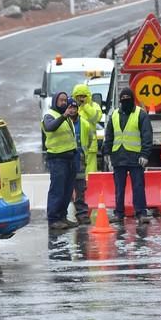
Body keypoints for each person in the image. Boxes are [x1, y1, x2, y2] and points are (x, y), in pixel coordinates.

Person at [102, 87, 152, 225]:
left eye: (127, 100)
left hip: (136, 158)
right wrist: (107, 152)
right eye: (123, 100)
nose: (125, 102)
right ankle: (119, 213)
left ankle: (141, 213)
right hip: (118, 158)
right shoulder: (114, 115)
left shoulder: (140, 115)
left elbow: (147, 136)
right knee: (119, 188)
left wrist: (145, 154)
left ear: (133, 100)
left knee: (138, 187)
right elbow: (109, 136)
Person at [42, 91, 79, 229]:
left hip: (70, 157)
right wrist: (64, 116)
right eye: (61, 100)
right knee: (57, 190)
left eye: (65, 100)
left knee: (67, 190)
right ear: (55, 101)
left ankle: (62, 217)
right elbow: (50, 127)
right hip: (57, 158)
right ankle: (53, 219)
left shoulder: (67, 117)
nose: (64, 102)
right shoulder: (50, 115)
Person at [66, 96, 90, 225]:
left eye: (74, 107)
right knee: (66, 187)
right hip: (67, 158)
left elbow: (90, 140)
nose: (72, 110)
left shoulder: (85, 124)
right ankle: (66, 213)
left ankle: (82, 213)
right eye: (70, 107)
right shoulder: (63, 122)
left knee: (80, 188)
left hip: (80, 159)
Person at [71, 84, 102, 175]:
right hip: (75, 145)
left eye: (83, 96)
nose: (81, 98)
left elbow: (96, 118)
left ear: (88, 96)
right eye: (79, 96)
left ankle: (91, 187)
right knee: (76, 170)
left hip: (90, 146)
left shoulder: (94, 105)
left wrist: (86, 106)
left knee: (91, 172)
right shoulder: (72, 107)